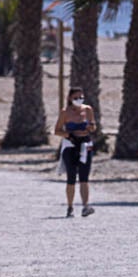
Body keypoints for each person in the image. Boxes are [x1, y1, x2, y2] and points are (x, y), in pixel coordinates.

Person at [54, 86, 97, 217]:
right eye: (76, 98)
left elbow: (93, 126)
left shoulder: (88, 110)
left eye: (81, 97)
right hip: (71, 145)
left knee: (84, 177)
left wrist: (91, 127)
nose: (79, 100)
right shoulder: (65, 112)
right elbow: (57, 130)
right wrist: (69, 135)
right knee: (71, 177)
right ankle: (70, 206)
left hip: (85, 144)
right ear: (69, 98)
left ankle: (85, 206)